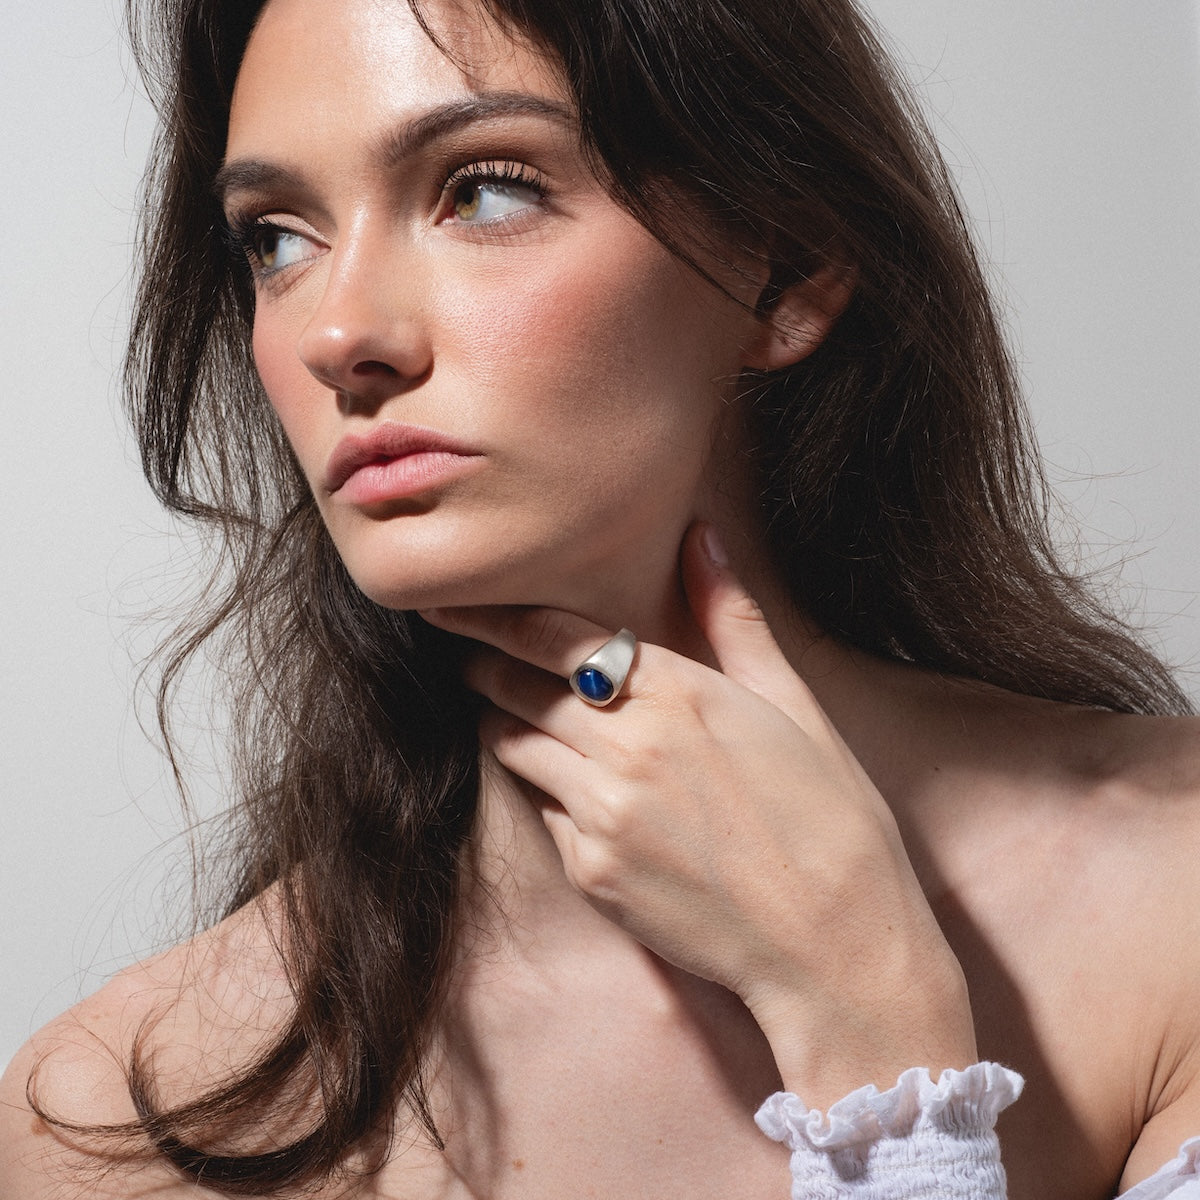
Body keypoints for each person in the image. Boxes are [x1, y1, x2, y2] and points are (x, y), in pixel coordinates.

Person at [3, 0, 1200, 1196]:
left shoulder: (1171, 904)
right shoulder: (125, 1111)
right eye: (276, 237)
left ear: (785, 264)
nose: (339, 332)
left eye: (482, 189)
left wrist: (873, 1037)